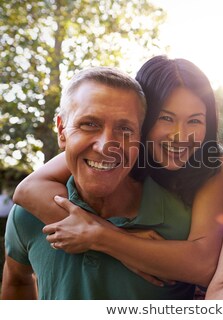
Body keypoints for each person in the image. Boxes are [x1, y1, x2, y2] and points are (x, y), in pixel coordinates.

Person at [10, 56, 223, 298]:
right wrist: (120, 242)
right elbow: (27, 189)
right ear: (144, 122)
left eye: (195, 120)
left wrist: (107, 239)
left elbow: (203, 264)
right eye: (166, 118)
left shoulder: (211, 161)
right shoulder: (110, 149)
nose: (180, 136)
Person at [2, 66, 153, 298]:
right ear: (62, 130)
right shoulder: (28, 214)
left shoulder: (177, 218)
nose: (105, 147)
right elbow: (17, 280)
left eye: (124, 128)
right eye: (89, 124)